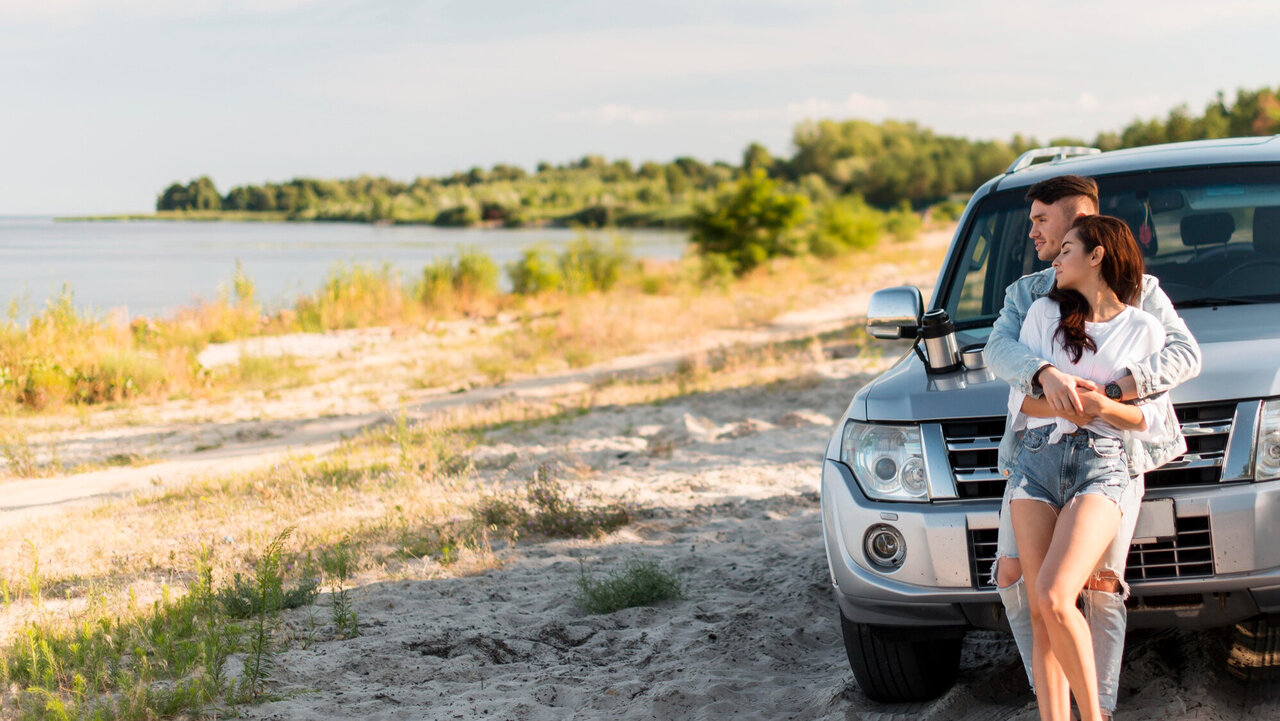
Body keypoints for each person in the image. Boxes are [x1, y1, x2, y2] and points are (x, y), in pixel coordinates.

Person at [984, 175, 1201, 720]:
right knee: (1023, 586)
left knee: (1098, 587)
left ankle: (1097, 708)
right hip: (1034, 458)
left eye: (1041, 220)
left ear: (1082, 223)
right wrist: (1046, 376)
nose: (1033, 233)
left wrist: (1108, 397)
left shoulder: (1143, 300)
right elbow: (999, 354)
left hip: (1114, 460)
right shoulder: (1030, 299)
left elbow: (1183, 358)